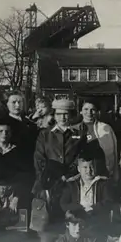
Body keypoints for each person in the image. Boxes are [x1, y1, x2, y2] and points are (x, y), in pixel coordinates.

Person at [33, 96, 83, 227]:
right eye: (59, 114)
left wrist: (67, 176)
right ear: (54, 115)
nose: (63, 118)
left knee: (69, 220)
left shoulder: (79, 135)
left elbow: (80, 158)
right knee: (47, 223)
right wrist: (47, 177)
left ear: (71, 115)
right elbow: (39, 158)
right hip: (48, 184)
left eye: (66, 114)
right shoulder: (45, 134)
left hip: (70, 183)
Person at [60, 155, 114, 231]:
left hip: (97, 222)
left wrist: (93, 208)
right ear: (79, 169)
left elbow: (108, 201)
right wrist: (79, 208)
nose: (89, 171)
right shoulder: (71, 184)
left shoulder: (102, 183)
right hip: (77, 222)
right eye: (85, 167)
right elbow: (63, 204)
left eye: (91, 167)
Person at [76, 99, 119, 182]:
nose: (89, 112)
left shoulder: (105, 128)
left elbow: (114, 153)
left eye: (92, 109)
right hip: (82, 174)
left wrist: (115, 174)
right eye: (86, 109)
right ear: (81, 111)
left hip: (102, 173)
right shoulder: (74, 129)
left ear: (97, 111)